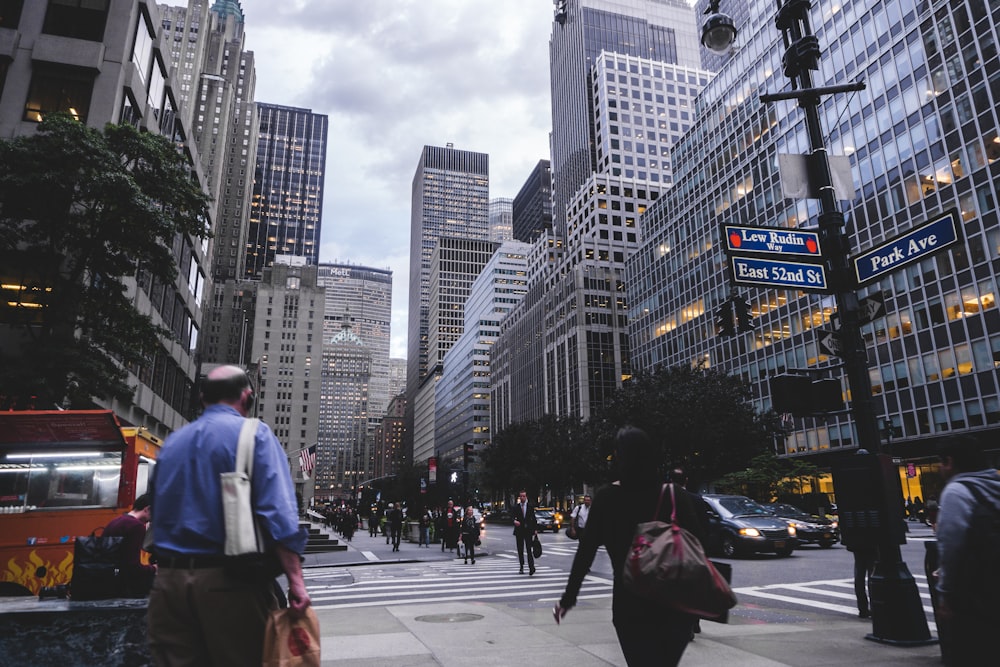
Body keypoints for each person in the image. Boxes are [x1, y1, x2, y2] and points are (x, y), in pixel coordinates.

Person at [146, 365, 310, 666]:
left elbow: (155, 511)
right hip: (229, 585)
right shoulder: (255, 435)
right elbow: (278, 515)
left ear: (201, 398)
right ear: (247, 398)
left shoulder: (171, 444)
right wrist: (296, 582)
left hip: (168, 587)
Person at [553, 426, 706, 666]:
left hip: (630, 603)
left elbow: (585, 553)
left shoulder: (606, 498)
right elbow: (699, 546)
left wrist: (568, 599)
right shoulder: (674, 495)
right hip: (675, 606)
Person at [934, 435, 1000, 666]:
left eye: (941, 463)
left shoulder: (957, 492)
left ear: (950, 462)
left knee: (973, 651)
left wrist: (946, 596)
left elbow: (951, 547)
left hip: (975, 592)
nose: (941, 469)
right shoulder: (995, 485)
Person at [103, 492, 156, 597]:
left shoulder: (117, 521)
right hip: (123, 587)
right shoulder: (136, 527)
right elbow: (132, 567)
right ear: (147, 509)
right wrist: (154, 568)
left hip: (108, 581)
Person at [512, 489, 538, 575]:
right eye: (521, 496)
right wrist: (514, 521)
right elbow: (512, 517)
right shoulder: (516, 507)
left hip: (528, 530)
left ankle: (531, 567)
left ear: (526, 497)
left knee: (529, 549)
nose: (522, 498)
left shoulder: (530, 506)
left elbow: (533, 519)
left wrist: (535, 529)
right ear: (519, 497)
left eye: (524, 496)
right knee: (520, 549)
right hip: (519, 530)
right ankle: (521, 566)